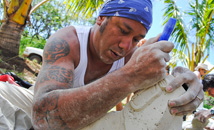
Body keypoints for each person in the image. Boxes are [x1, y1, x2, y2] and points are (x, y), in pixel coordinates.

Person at [32, 0, 204, 129]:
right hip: (32, 102)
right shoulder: (69, 42)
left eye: (136, 39)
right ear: (101, 19)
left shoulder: (131, 57)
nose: (126, 46)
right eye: (123, 31)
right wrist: (130, 75)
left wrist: (184, 86)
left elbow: (159, 96)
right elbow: (43, 117)